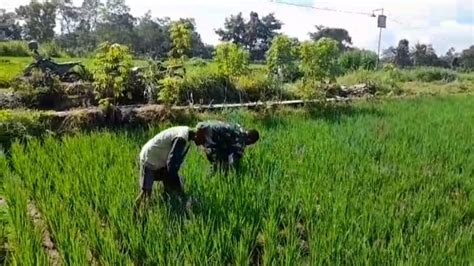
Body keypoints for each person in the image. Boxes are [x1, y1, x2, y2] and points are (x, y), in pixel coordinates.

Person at [134, 125, 206, 213]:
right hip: (150, 159)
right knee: (146, 193)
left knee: (173, 187)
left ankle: (175, 206)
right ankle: (136, 213)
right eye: (203, 140)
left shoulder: (187, 134)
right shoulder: (181, 138)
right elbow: (171, 163)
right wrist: (175, 184)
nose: (202, 144)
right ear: (197, 134)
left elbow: (174, 162)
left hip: (160, 159)